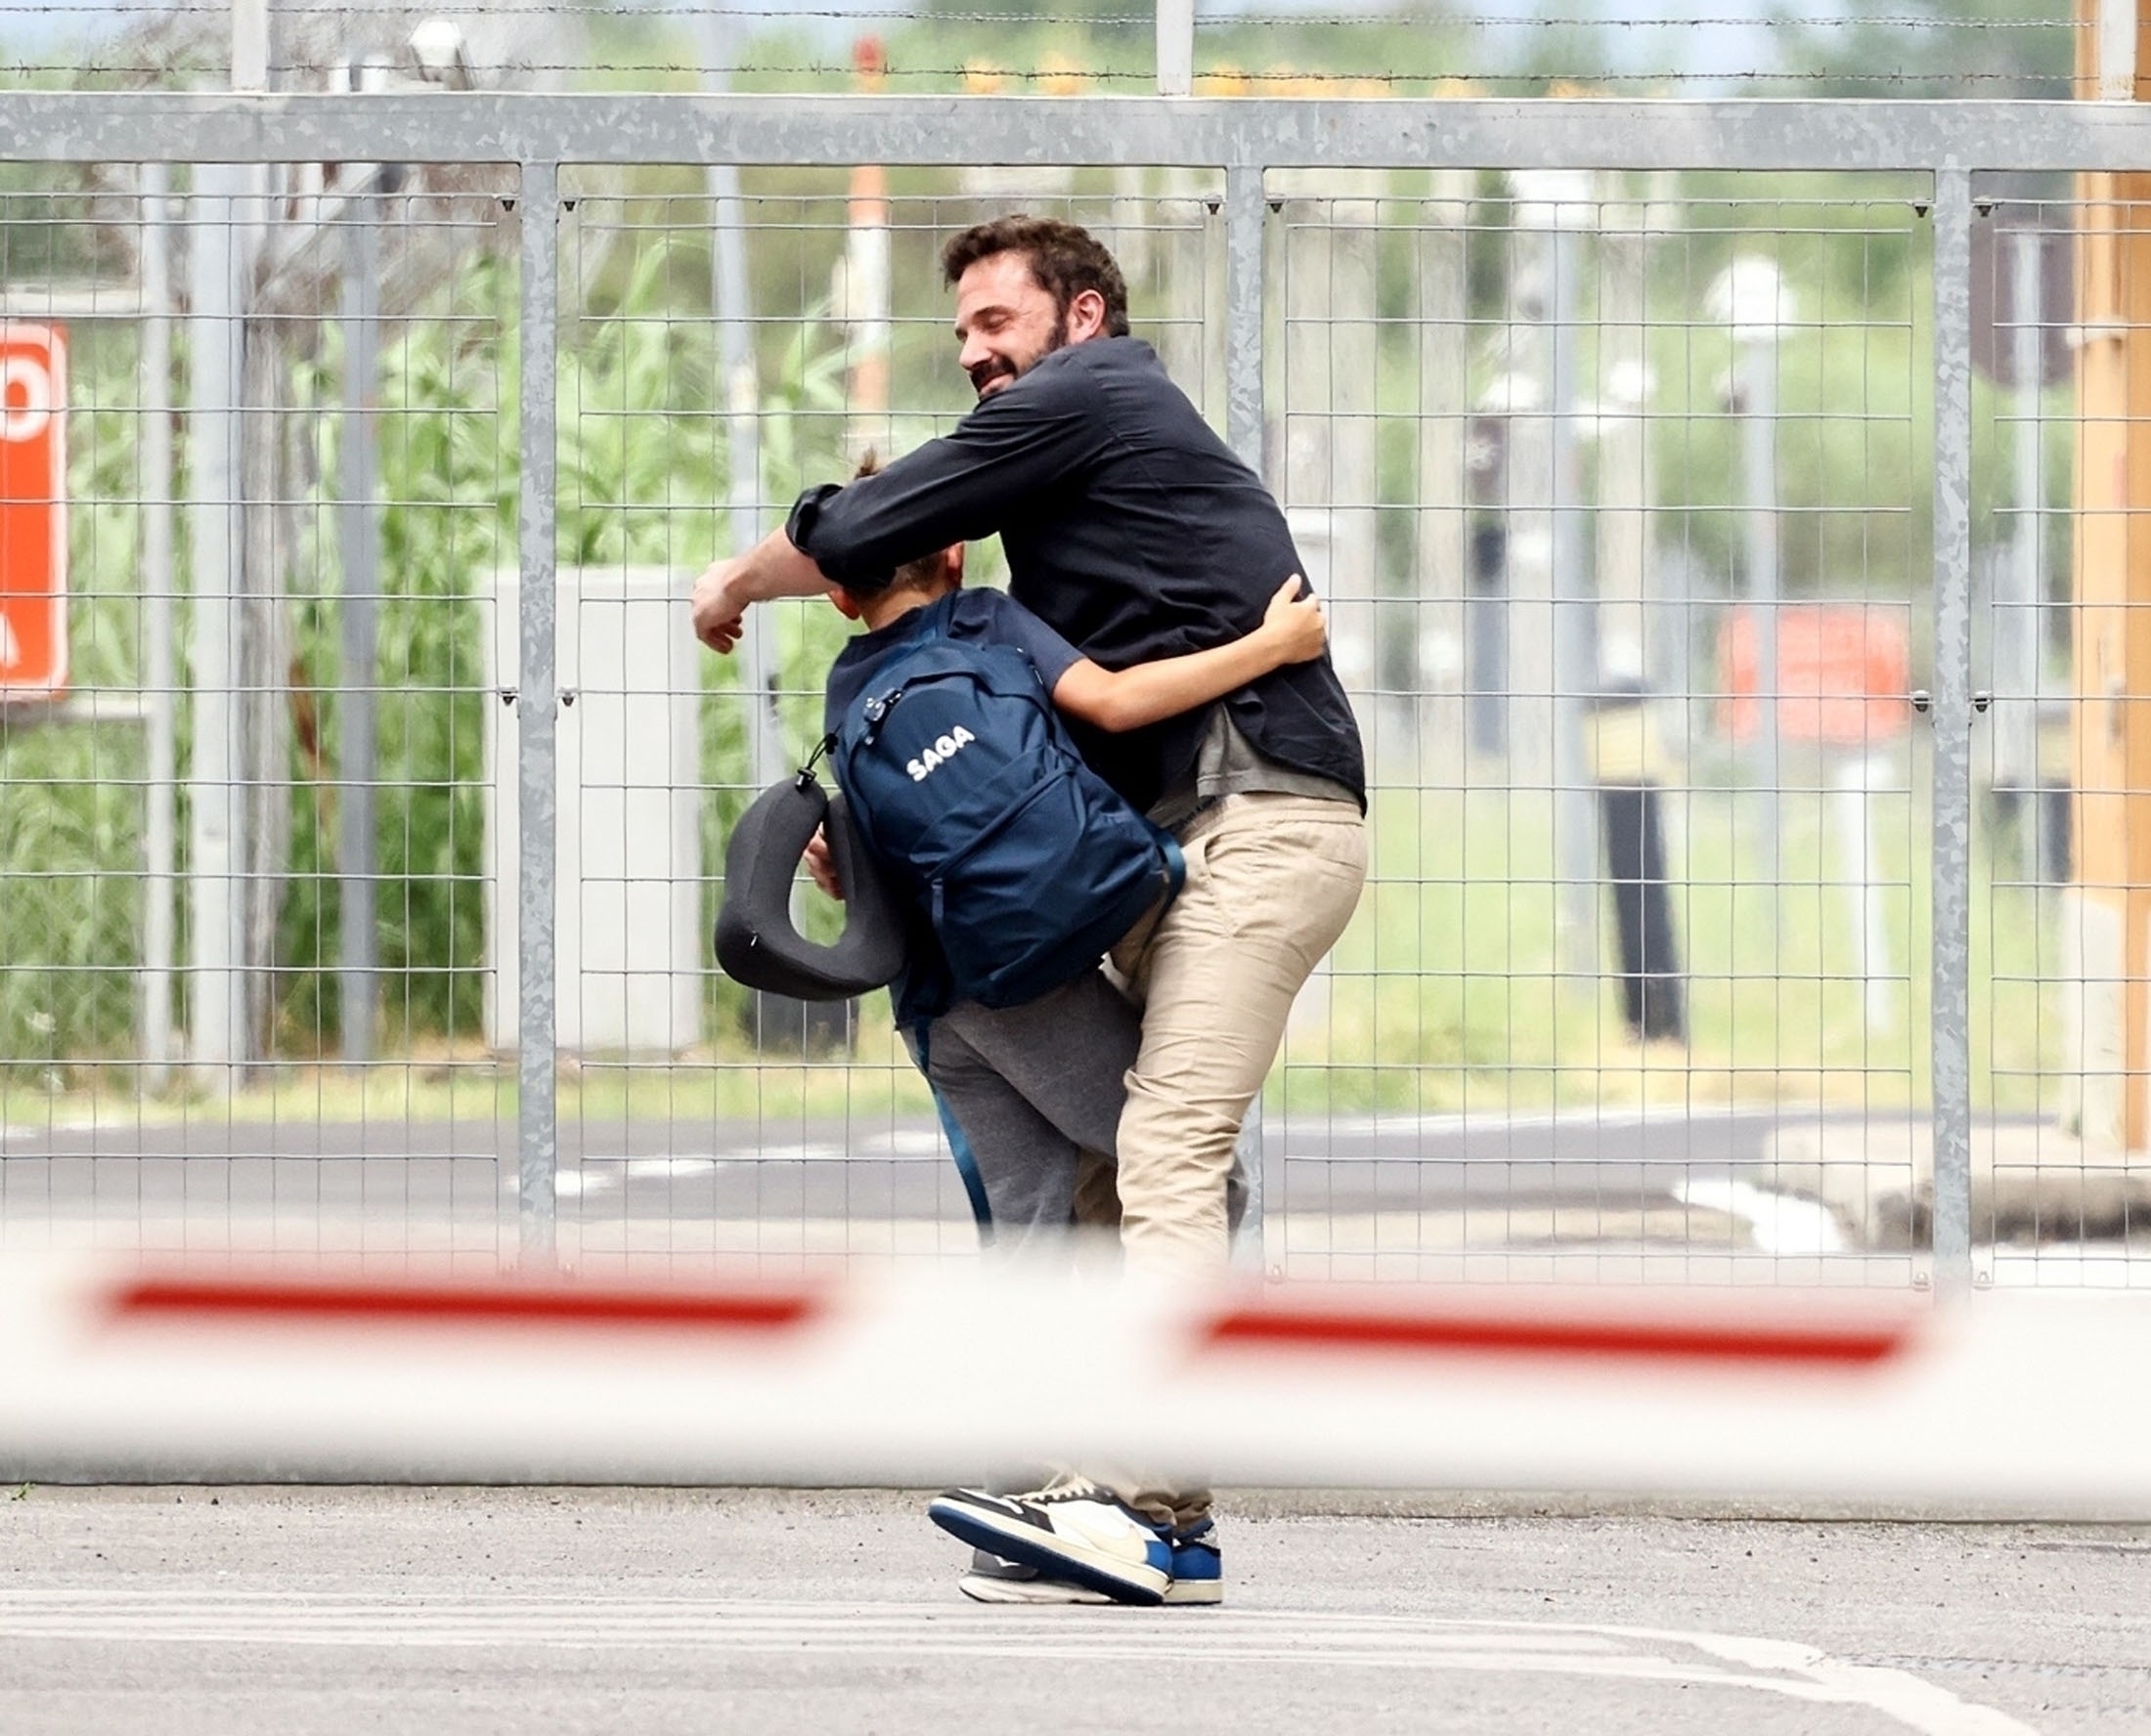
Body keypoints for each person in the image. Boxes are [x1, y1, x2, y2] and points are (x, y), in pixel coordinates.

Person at [694, 215, 1368, 1607]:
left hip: (1262, 823)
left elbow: (879, 516)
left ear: (1083, 317)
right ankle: (1164, 1525)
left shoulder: (1099, 392)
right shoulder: (1048, 510)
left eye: (995, 323)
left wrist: (736, 580)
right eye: (960, 337)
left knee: (1170, 1147)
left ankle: (1132, 1491)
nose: (975, 356)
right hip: (1178, 845)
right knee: (1121, 1169)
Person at [817, 460, 1329, 1252]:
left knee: (1035, 1237)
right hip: (1029, 988)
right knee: (1191, 1175)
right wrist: (1273, 645)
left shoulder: (847, 688)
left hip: (935, 1006)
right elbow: (1116, 702)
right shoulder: (985, 621)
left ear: (839, 596)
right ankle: (1172, 1365)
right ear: (953, 551)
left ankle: (1051, 1377)